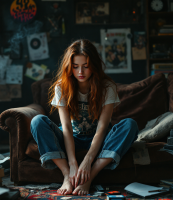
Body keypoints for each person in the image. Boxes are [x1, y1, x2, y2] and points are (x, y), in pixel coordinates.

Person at [30, 39, 139, 196]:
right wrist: (72, 163)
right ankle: (67, 175)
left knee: (130, 125)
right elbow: (66, 127)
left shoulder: (107, 87)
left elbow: (102, 128)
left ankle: (89, 178)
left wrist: (87, 161)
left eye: (85, 66)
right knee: (37, 121)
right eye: (75, 67)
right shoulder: (62, 86)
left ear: (93, 65)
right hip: (71, 137)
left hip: (99, 139)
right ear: (70, 67)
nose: (80, 72)